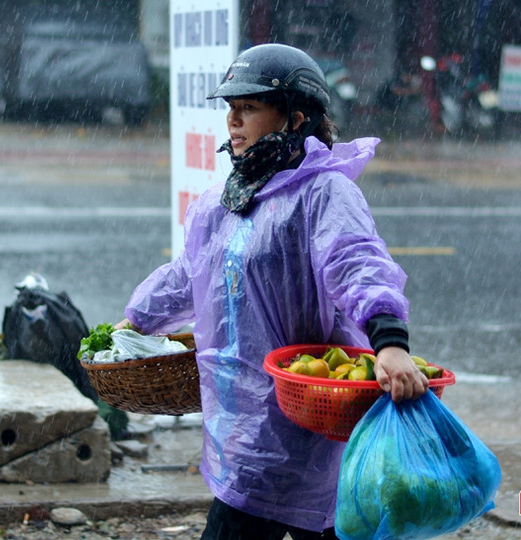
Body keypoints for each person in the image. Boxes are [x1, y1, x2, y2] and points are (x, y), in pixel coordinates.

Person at [116, 43, 428, 540]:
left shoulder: (324, 193)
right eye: (231, 110)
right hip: (245, 427)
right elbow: (190, 272)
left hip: (312, 416)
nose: (233, 123)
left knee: (314, 518)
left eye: (249, 108)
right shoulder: (226, 200)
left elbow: (357, 263)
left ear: (294, 117)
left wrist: (390, 344)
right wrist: (133, 324)